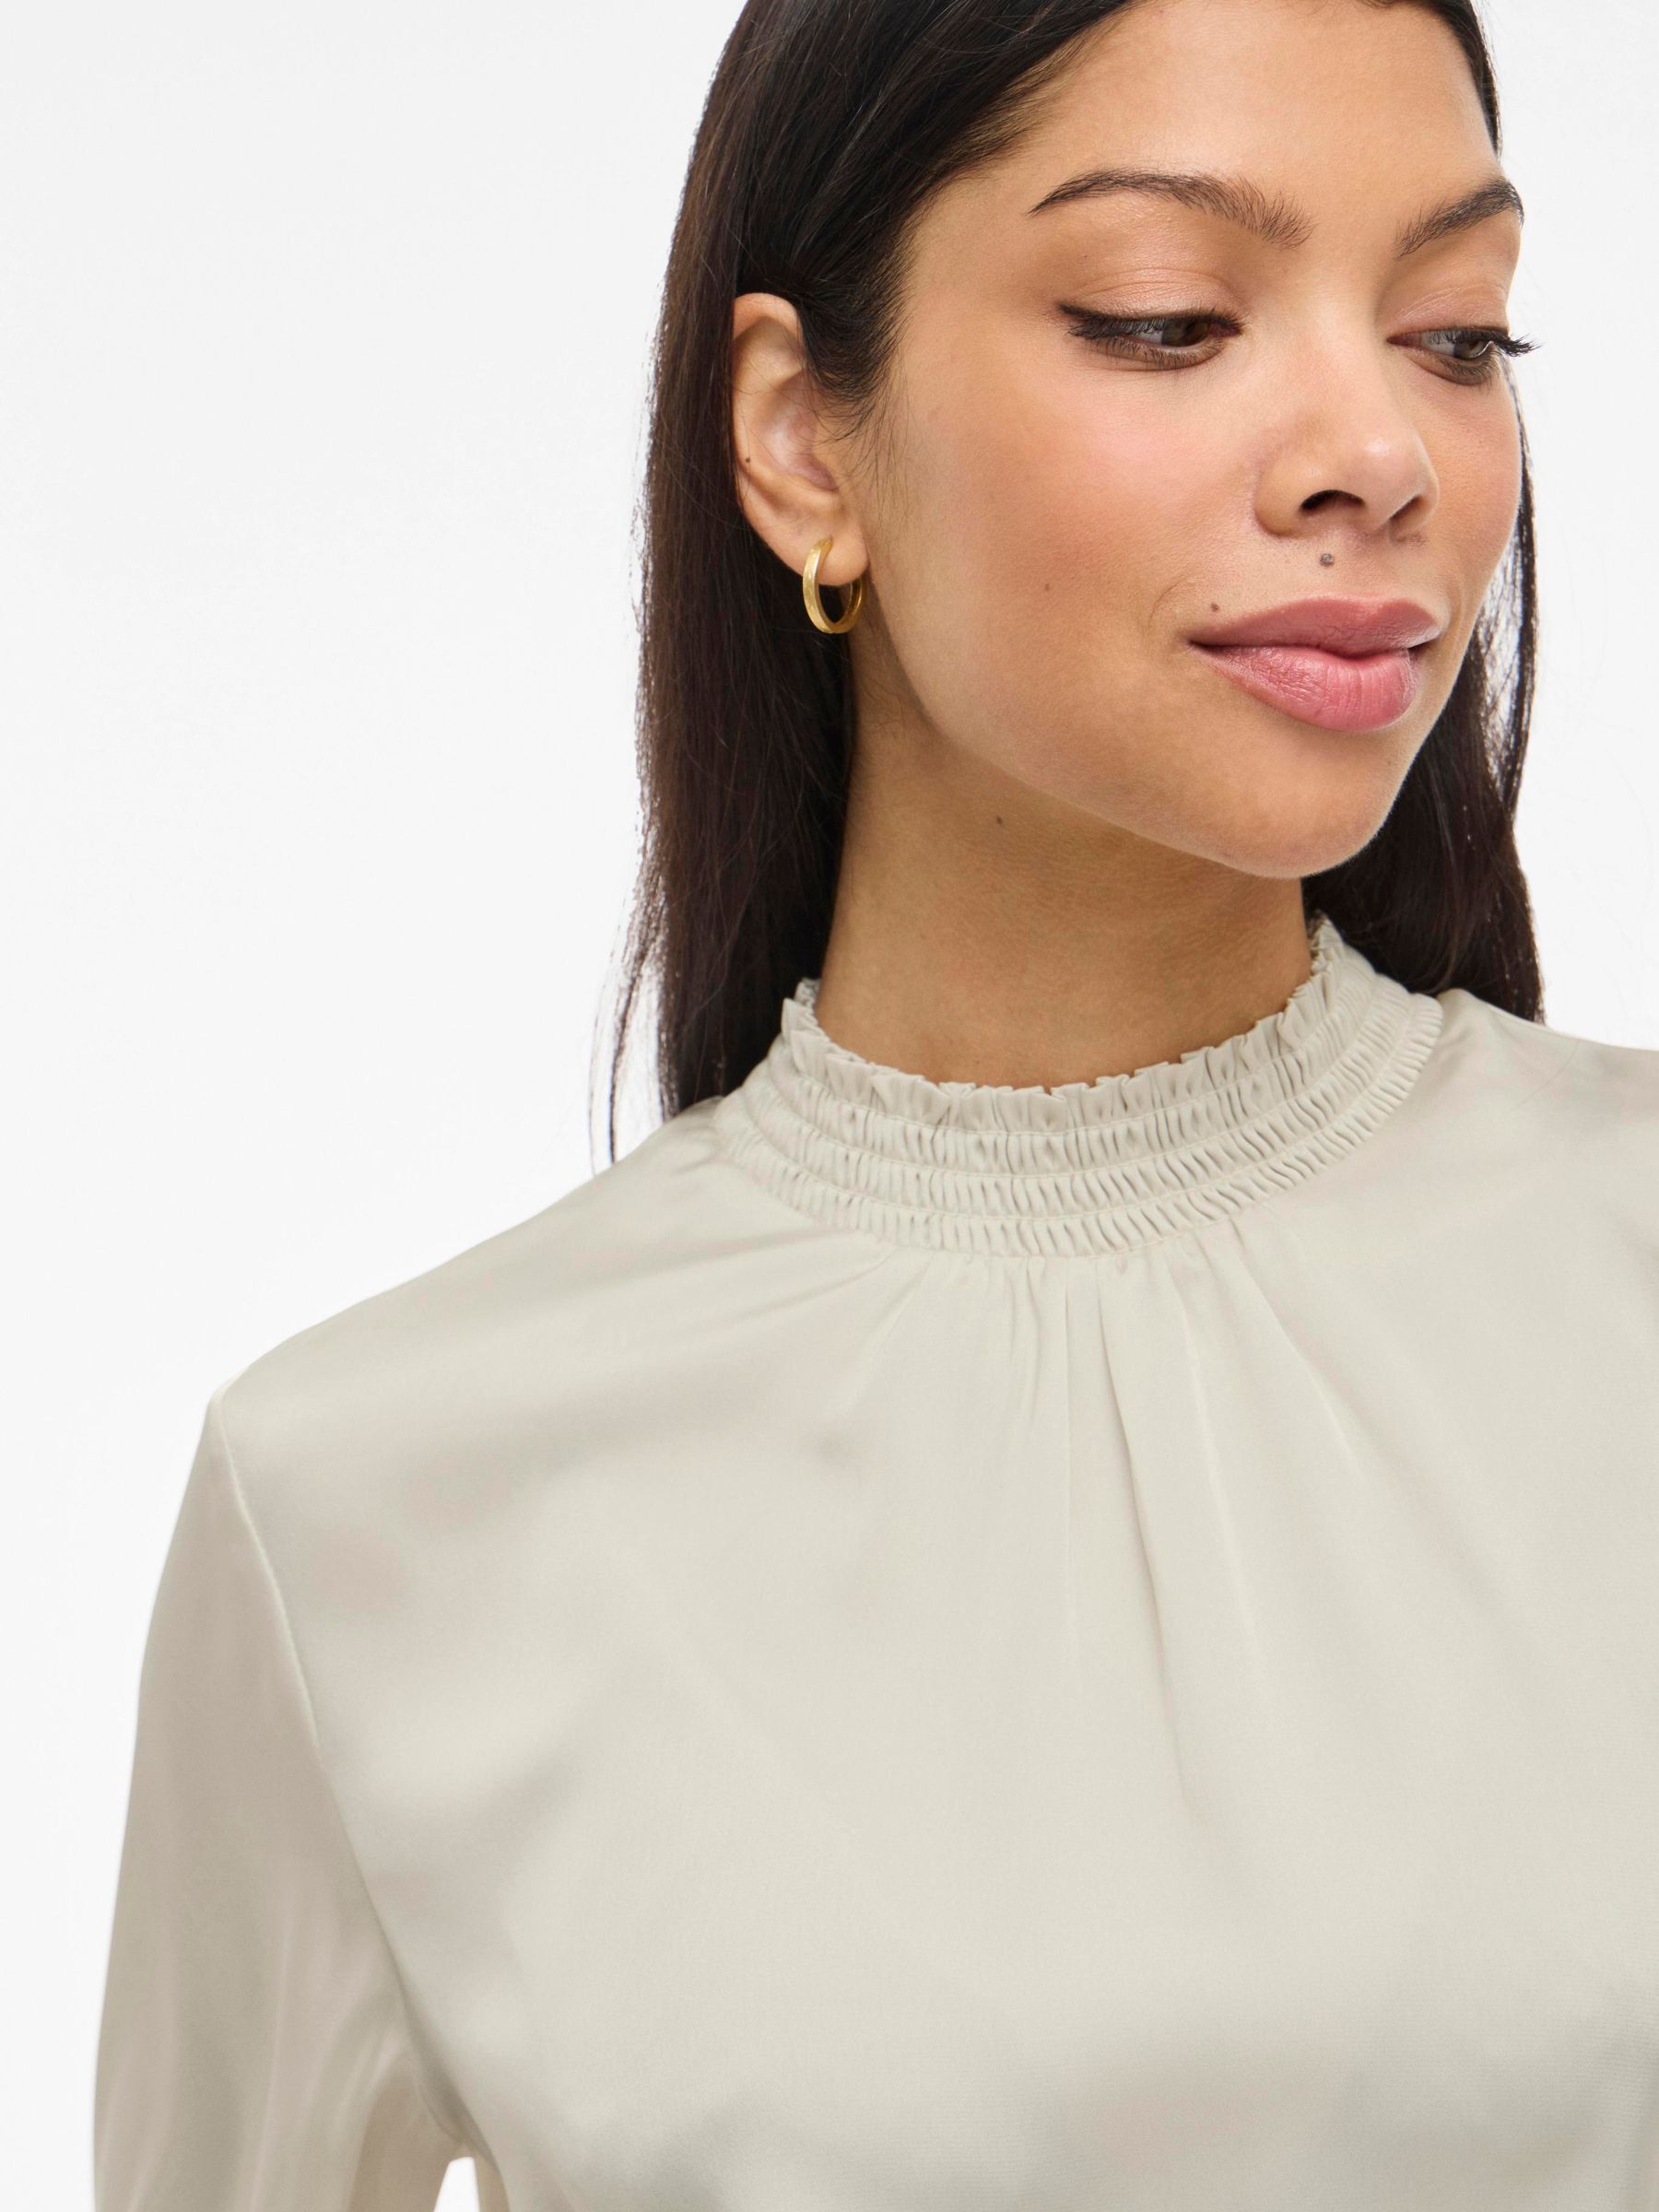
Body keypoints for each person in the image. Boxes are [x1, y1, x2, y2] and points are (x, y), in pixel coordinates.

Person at [95, 0, 1659, 2205]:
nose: (1379, 453)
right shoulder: (368, 1508)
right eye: (1168, 318)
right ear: (802, 439)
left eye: (1456, 334)